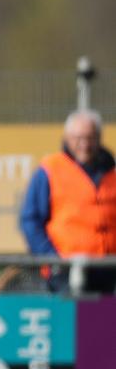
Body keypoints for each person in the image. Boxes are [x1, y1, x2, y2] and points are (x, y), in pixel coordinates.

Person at [20, 110, 116, 294]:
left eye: (90, 138)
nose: (84, 145)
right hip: (66, 273)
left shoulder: (111, 171)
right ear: (67, 138)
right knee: (72, 321)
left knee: (103, 322)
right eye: (78, 138)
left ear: (99, 138)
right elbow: (31, 220)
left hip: (108, 271)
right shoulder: (50, 170)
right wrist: (52, 259)